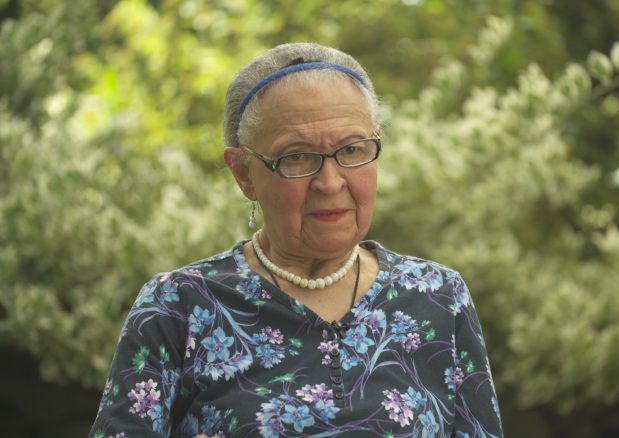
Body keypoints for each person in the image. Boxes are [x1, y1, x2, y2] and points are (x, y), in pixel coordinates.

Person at [90, 42, 503, 438]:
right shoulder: (177, 306)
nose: (329, 181)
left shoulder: (437, 297)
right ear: (244, 173)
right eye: (296, 157)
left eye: (353, 149)